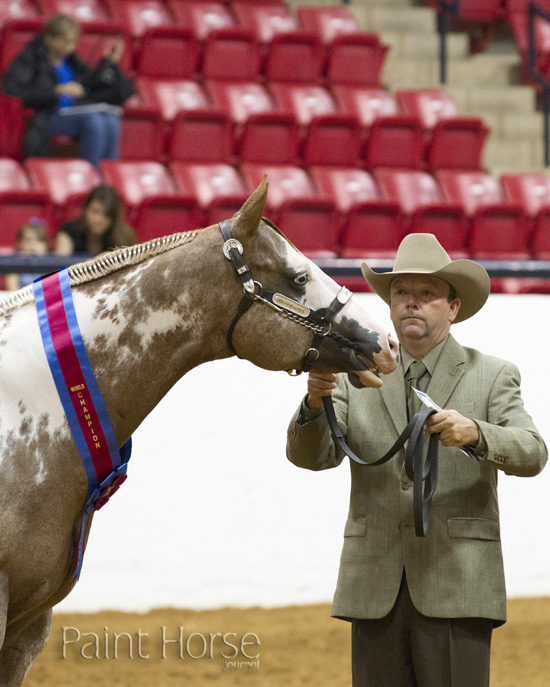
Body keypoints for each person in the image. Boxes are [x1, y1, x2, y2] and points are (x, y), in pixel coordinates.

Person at [286, 233, 547, 687]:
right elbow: (310, 457)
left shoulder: (493, 374)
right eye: (401, 293)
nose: (411, 303)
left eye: (427, 295)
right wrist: (312, 404)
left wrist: (478, 434)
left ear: (453, 308)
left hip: (458, 580)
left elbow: (533, 452)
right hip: (374, 583)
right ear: (389, 306)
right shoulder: (352, 374)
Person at [3, 14, 134, 166]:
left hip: (73, 112)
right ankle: (92, 174)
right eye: (65, 41)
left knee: (110, 118)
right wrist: (56, 90)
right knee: (93, 120)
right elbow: (15, 91)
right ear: (49, 38)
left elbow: (90, 82)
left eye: (73, 42)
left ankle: (110, 173)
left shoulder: (71, 60)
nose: (70, 47)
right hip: (44, 117)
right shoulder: (30, 58)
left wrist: (109, 62)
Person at [55, 184, 135, 256]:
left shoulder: (124, 237)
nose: (99, 219)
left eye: (106, 214)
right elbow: (61, 265)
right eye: (95, 212)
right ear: (85, 210)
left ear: (114, 218)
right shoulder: (69, 231)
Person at [6, 218, 50, 290]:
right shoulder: (14, 263)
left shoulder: (51, 265)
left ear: (46, 245)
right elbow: (12, 291)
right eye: (28, 240)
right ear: (19, 244)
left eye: (39, 240)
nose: (33, 246)